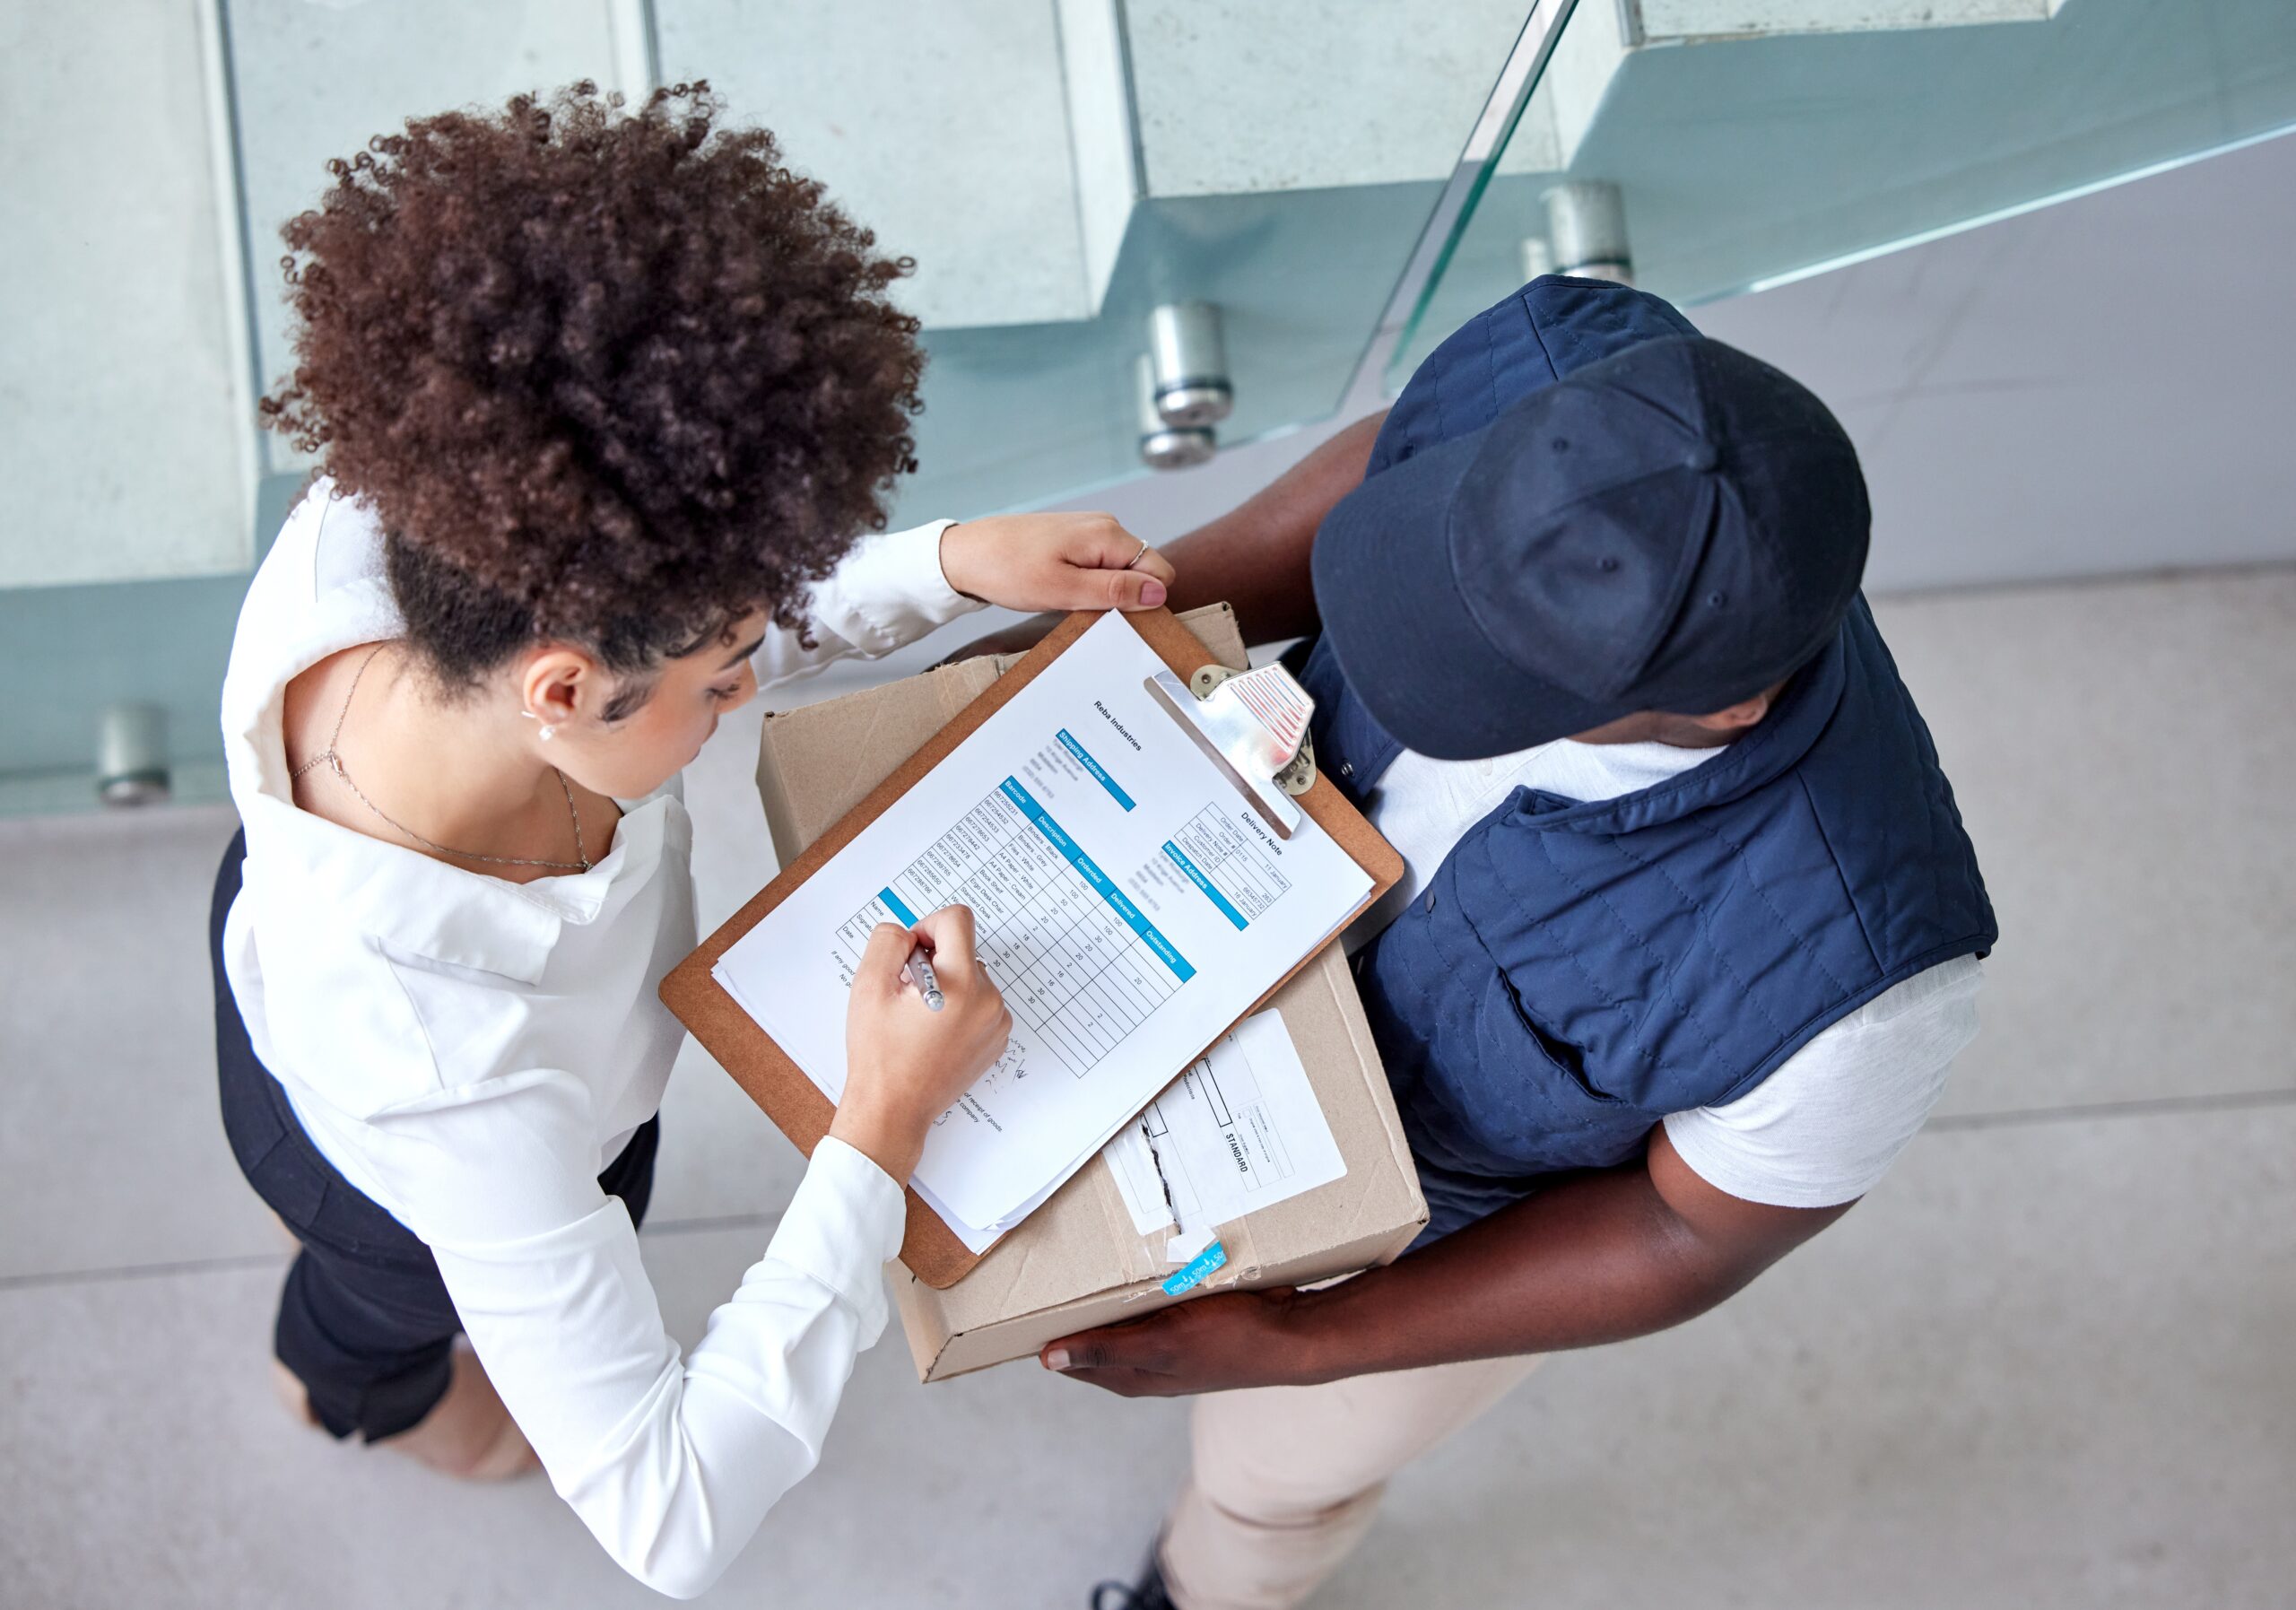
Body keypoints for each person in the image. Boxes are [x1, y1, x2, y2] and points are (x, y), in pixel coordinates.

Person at [210, 83, 1176, 1598]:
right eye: (729, 680)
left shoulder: (426, 507)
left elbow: (655, 607)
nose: (749, 685)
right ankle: (351, 1397)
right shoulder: (454, 1079)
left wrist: (945, 566)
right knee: (375, 1304)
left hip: (521, 1046)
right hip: (392, 1156)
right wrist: (883, 1129)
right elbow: (668, 1521)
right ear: (564, 691)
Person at [1044, 276, 1998, 1610]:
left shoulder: (1858, 987)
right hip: (1209, 920)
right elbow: (1374, 472)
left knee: (1270, 1476)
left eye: (1501, 680)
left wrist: (1310, 1344)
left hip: (1417, 1216)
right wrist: (1082, 644)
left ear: (1724, 709)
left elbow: (1685, 1234)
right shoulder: (1576, 356)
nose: (1414, 649)